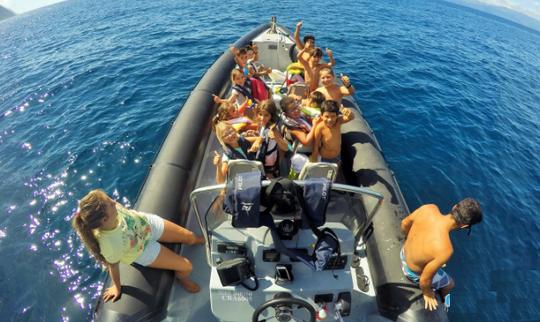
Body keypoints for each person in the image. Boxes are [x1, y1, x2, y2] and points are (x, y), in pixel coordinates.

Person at [72, 190, 205, 302]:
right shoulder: (110, 244)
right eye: (110, 204)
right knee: (187, 266)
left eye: (110, 199)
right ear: (105, 220)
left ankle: (198, 240)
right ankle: (182, 279)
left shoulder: (113, 210)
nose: (114, 202)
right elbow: (112, 265)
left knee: (191, 237)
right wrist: (117, 287)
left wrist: (113, 206)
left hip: (147, 225)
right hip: (142, 249)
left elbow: (121, 209)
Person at [400, 198, 483, 311]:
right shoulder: (446, 250)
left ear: (454, 207)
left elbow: (404, 224)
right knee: (450, 284)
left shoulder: (429, 208)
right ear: (464, 226)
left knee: (436, 261)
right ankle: (446, 304)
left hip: (403, 253)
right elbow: (424, 281)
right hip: (409, 271)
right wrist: (427, 293)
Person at [247, 100, 289, 177]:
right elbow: (262, 136)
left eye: (266, 115)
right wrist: (256, 134)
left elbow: (286, 148)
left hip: (270, 167)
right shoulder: (262, 124)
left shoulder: (274, 129)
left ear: (271, 116)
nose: (262, 118)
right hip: (261, 160)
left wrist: (276, 138)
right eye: (260, 114)